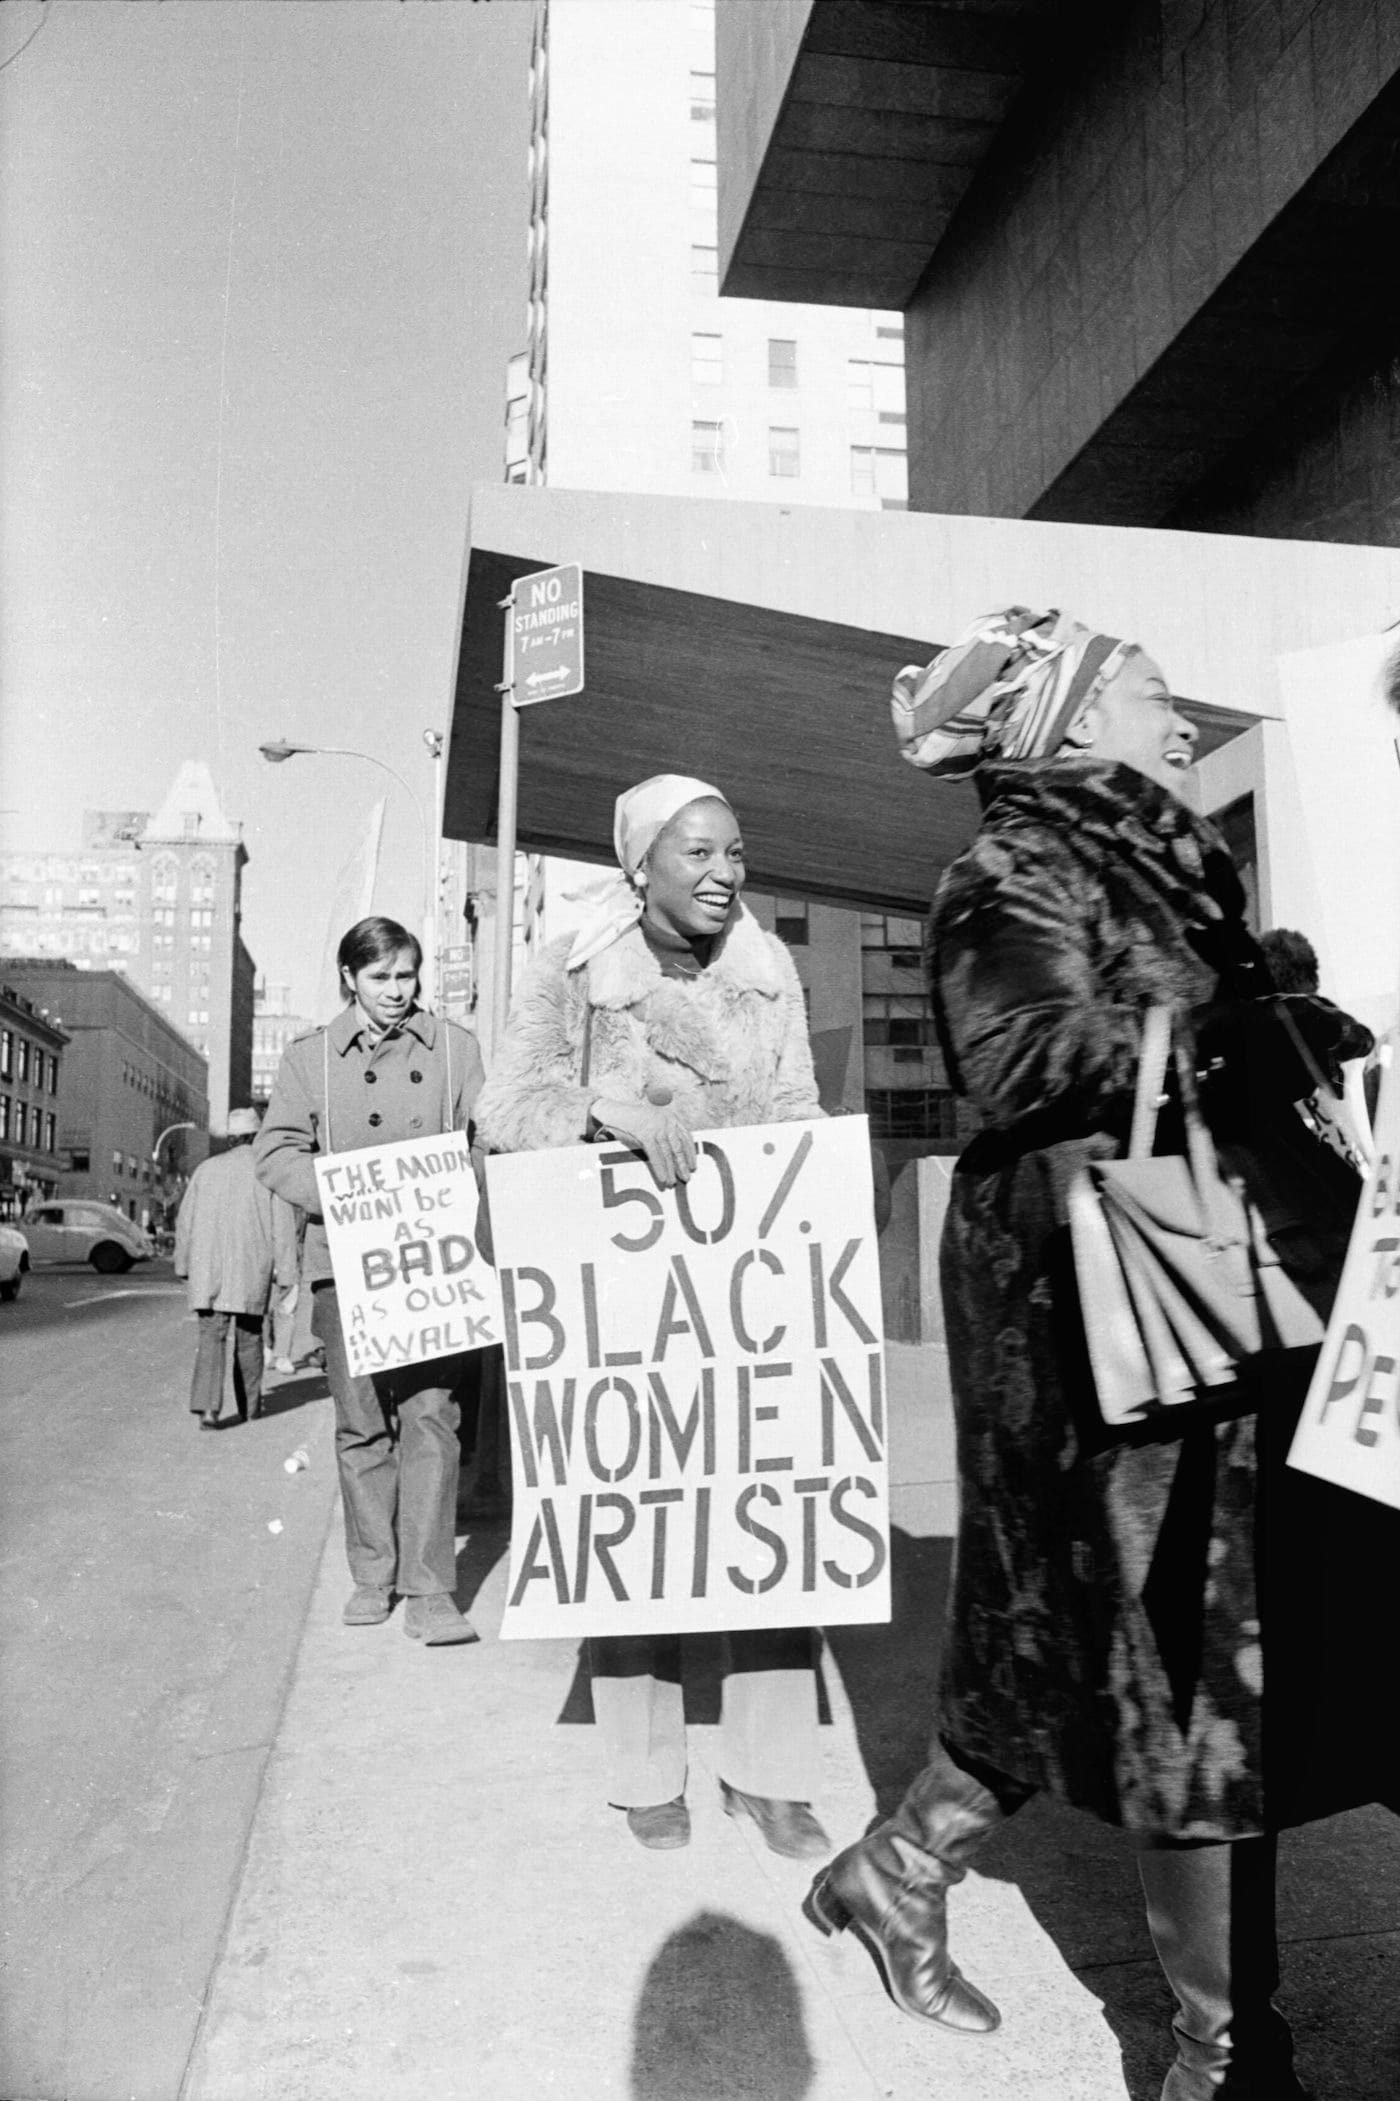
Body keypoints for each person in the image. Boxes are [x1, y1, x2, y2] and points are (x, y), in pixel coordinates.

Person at [803, 608, 1382, 2099]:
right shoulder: (1010, 867)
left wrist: (1293, 1024)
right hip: (1107, 1302)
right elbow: (1018, 1059)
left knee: (1129, 1642)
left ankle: (904, 1868)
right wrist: (1228, 1030)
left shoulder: (1162, 864)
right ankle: (1216, 2062)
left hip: (1212, 1285)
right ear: (1062, 723)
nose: (1181, 720)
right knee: (1186, 1668)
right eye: (1143, 693)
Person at [474, 774, 831, 1857]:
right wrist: (604, 1112)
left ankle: (766, 1773)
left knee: (776, 1520)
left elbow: (799, 1112)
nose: (723, 874)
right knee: (635, 1520)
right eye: (696, 854)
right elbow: (504, 1108)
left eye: (734, 853)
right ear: (639, 865)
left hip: (745, 1290)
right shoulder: (572, 968)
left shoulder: (772, 979)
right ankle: (644, 1772)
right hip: (621, 1299)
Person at [254, 916, 485, 1646]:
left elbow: (490, 1133)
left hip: (433, 1264)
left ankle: (430, 1588)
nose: (397, 990)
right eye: (381, 977)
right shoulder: (310, 1057)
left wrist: (456, 1191)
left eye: (407, 975)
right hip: (346, 1265)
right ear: (349, 977)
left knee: (431, 1418)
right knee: (361, 1425)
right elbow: (275, 1152)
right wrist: (350, 1191)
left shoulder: (455, 1047)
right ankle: (371, 1574)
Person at [175, 1105, 298, 1428]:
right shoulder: (267, 1171)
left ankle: (208, 1409)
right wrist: (286, 1273)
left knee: (211, 1338)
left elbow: (185, 1221)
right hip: (251, 1271)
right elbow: (283, 1228)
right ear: (256, 1136)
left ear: (230, 1138)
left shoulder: (205, 1170)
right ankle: (251, 1406)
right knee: (250, 1337)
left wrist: (184, 1265)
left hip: (209, 1272)